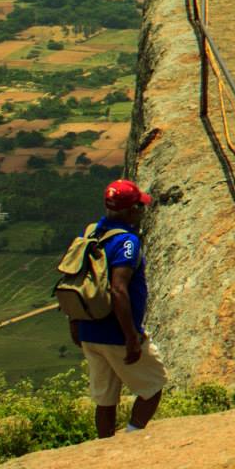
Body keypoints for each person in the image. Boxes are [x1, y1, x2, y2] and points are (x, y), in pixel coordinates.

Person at [70, 180, 164, 437]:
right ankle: (132, 437)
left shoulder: (92, 232)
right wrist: (131, 337)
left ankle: (105, 446)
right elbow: (118, 290)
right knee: (154, 385)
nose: (142, 212)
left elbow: (75, 279)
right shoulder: (127, 242)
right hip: (117, 334)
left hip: (90, 330)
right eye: (139, 207)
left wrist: (74, 322)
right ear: (131, 210)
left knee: (105, 399)